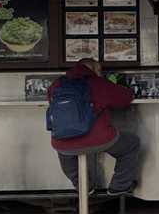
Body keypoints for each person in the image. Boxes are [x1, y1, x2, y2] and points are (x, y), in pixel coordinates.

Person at [48, 58, 140, 195]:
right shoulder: (99, 83)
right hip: (98, 139)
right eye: (99, 70)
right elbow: (125, 98)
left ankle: (83, 186)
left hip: (62, 140)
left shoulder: (57, 84)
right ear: (94, 69)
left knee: (65, 150)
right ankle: (119, 186)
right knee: (131, 144)